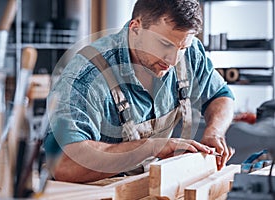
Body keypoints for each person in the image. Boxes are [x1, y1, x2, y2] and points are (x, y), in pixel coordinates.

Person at [44, 0, 235, 183]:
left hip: (146, 185)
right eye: (165, 44)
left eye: (182, 48)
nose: (173, 60)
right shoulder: (87, 75)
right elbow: (63, 165)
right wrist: (150, 148)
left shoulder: (188, 52)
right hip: (93, 192)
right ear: (136, 28)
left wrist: (214, 133)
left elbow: (220, 96)